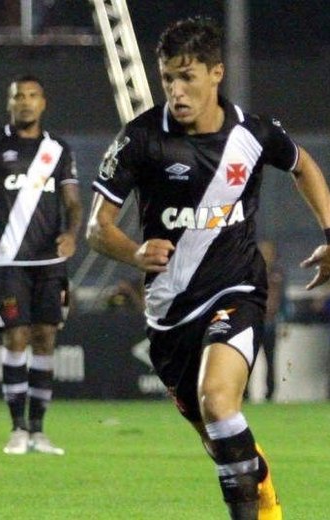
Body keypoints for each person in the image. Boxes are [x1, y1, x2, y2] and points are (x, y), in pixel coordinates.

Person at [86, 16, 330, 520]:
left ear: (215, 73)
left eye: (187, 76)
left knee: (219, 402)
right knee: (219, 436)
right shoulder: (140, 139)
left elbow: (303, 164)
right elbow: (96, 227)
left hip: (236, 291)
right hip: (169, 313)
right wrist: (134, 252)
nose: (176, 90)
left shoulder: (253, 133)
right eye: (168, 78)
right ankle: (260, 486)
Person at [0, 74, 82, 456]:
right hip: (7, 260)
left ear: (43, 103)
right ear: (9, 103)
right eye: (18, 96)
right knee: (15, 337)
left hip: (50, 262)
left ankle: (40, 430)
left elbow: (73, 202)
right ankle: (17, 428)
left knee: (45, 339)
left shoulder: (58, 149)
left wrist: (73, 233)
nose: (25, 102)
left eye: (32, 96)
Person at [257, 241, 285, 402]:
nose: (266, 255)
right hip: (253, 321)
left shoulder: (278, 273)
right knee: (247, 360)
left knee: (270, 360)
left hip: (270, 322)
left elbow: (283, 299)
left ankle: (270, 393)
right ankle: (244, 392)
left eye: (268, 252)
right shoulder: (251, 272)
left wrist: (284, 321)